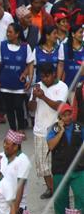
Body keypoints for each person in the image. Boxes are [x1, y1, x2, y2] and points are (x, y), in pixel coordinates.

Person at [29, 62, 69, 199]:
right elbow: (31, 109)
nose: (44, 79)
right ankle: (51, 188)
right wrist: (34, 96)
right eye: (42, 77)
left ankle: (59, 189)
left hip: (57, 130)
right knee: (43, 165)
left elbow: (60, 106)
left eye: (47, 76)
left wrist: (43, 97)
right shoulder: (37, 86)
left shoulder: (62, 86)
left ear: (53, 74)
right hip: (40, 131)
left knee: (59, 163)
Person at [48, 103, 84, 214]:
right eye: (64, 115)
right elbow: (51, 145)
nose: (68, 117)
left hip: (78, 170)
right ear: (60, 117)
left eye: (69, 114)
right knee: (60, 199)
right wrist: (61, 131)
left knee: (81, 197)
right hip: (60, 170)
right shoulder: (54, 129)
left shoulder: (79, 127)